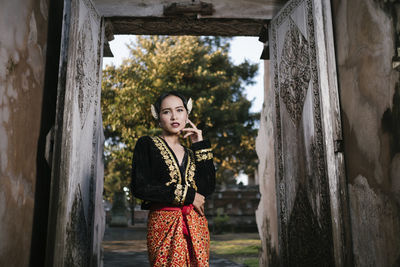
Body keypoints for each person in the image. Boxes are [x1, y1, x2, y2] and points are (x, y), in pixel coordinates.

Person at [131, 91, 216, 266]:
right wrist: (188, 195)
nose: (174, 116)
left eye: (179, 110)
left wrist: (199, 144)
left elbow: (207, 189)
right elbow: (140, 187)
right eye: (166, 112)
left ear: (187, 114)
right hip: (163, 224)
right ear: (157, 116)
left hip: (196, 225)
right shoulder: (147, 144)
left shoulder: (193, 154)